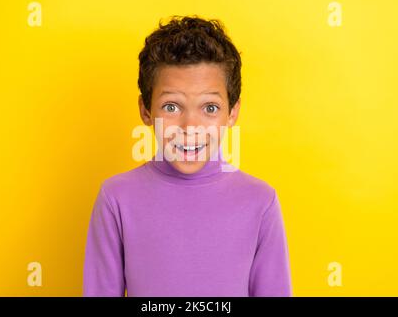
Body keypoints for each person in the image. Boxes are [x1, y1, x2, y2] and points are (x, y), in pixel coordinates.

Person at [83, 15, 292, 297]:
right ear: (146, 111)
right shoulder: (116, 199)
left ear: (232, 113)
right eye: (171, 107)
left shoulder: (260, 202)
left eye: (209, 108)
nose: (190, 127)